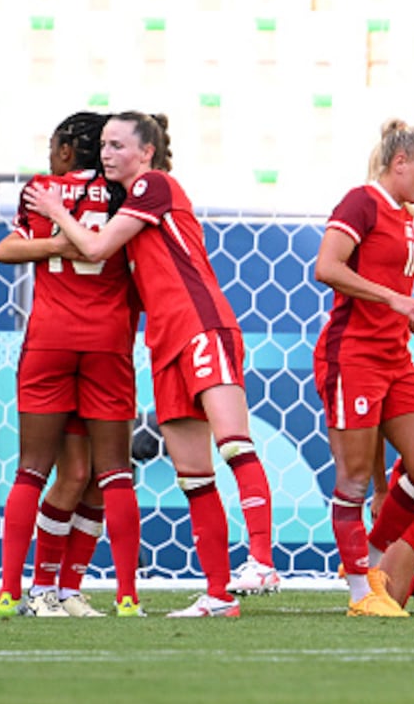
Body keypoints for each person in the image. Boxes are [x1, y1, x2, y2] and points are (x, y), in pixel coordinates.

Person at [28, 111, 280, 619]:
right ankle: (218, 594)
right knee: (194, 476)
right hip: (164, 346)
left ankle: (261, 560)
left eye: (118, 145)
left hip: (202, 327)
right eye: (102, 145)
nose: (107, 153)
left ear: (146, 152)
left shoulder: (156, 186)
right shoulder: (132, 210)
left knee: (233, 442)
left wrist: (55, 210)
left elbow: (94, 246)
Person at [0, 111, 141, 618]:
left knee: (35, 470)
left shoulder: (41, 191)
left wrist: (54, 243)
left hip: (50, 341)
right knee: (111, 474)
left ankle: (14, 593)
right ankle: (125, 596)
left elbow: (5, 249)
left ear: (62, 152)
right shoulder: (126, 195)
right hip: (107, 343)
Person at [313, 118, 414, 618]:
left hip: (395, 358)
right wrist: (395, 299)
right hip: (353, 356)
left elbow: (396, 296)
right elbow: (327, 267)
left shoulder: (404, 218)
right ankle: (358, 593)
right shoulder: (361, 201)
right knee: (352, 480)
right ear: (400, 163)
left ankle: (371, 569)